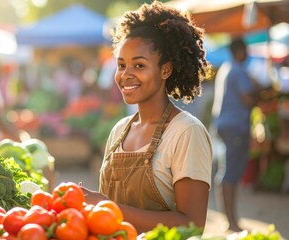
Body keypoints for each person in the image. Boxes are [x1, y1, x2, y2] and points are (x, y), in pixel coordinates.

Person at [80, 1, 213, 233]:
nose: (125, 75)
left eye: (139, 65)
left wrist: (105, 205)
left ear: (165, 70)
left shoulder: (186, 131)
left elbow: (192, 225)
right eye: (121, 66)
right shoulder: (119, 130)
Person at [211, 38, 260, 232]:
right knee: (229, 173)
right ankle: (231, 221)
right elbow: (247, 99)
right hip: (235, 126)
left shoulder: (226, 68)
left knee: (227, 172)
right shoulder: (237, 70)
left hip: (225, 125)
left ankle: (229, 219)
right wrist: (259, 92)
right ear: (240, 51)